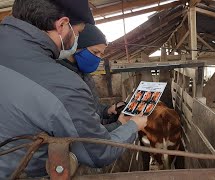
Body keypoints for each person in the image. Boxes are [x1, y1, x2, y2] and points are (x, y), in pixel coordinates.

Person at [0, 0, 147, 178]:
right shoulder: (62, 84)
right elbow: (98, 152)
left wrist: (106, 112)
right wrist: (132, 126)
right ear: (62, 25)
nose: (76, 39)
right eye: (77, 32)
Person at [58, 23, 126, 131]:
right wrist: (120, 125)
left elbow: (92, 108)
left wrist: (107, 110)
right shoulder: (61, 77)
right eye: (95, 52)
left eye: (101, 54)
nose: (98, 58)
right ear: (77, 45)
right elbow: (84, 131)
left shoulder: (84, 74)